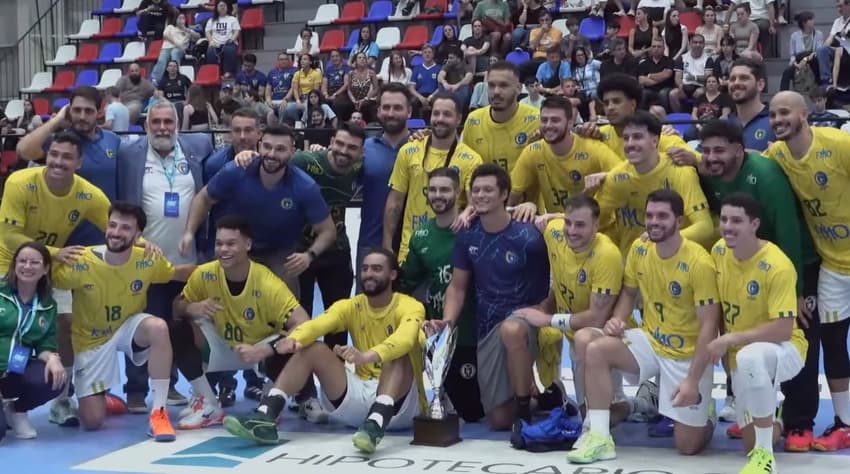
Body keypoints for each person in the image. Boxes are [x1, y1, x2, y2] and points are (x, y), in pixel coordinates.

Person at [568, 189, 719, 464]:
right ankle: (600, 437)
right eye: (650, 215)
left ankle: (706, 410)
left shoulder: (699, 262)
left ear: (679, 221)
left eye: (662, 216)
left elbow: (709, 326)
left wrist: (693, 381)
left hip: (685, 354)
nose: (654, 222)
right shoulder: (640, 248)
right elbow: (628, 292)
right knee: (594, 347)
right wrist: (618, 319)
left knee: (688, 446)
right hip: (651, 339)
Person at [223, 248, 425, 454]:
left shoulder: (411, 306)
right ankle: (265, 416)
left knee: (400, 355)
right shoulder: (352, 306)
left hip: (400, 406)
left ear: (392, 274)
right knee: (314, 349)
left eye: (376, 269)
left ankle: (376, 425)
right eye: (365, 269)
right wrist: (294, 339)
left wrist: (366, 356)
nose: (368, 274)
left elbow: (405, 338)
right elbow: (319, 324)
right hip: (361, 397)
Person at [696, 119, 821, 449]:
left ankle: (799, 422)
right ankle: (759, 411)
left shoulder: (764, 175)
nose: (711, 157)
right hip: (742, 259)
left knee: (799, 331)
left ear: (739, 151)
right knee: (740, 324)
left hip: (792, 260)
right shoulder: (708, 173)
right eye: (706, 151)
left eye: (719, 150)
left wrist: (797, 291)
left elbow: (787, 227)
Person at [51, 202, 194, 439]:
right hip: (91, 339)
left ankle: (159, 412)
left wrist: (220, 269)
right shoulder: (81, 260)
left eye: (125, 228)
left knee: (158, 327)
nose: (116, 232)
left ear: (138, 235)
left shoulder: (147, 259)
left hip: (129, 327)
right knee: (92, 421)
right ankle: (102, 398)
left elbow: (177, 273)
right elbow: (45, 276)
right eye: (112, 225)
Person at [0, 131, 112, 427]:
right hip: (8, 262)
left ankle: (61, 400)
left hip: (50, 266)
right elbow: (9, 237)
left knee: (67, 323)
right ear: (45, 156)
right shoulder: (19, 182)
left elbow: (117, 228)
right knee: (7, 327)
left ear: (79, 162)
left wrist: (144, 245)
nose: (59, 162)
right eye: (54, 155)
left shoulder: (88, 194)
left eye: (67, 157)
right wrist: (54, 253)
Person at [764, 90, 850, 451]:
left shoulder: (838, 144)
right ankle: (845, 424)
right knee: (832, 343)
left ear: (804, 114)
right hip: (833, 265)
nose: (777, 120)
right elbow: (744, 162)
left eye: (784, 112)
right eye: (772, 115)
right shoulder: (777, 154)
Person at [435, 163, 550, 430]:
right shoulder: (467, 235)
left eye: (488, 190)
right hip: (487, 327)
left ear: (504, 194)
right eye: (476, 190)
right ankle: (544, 399)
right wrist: (447, 322)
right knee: (498, 420)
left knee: (512, 330)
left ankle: (524, 412)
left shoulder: (530, 235)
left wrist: (545, 312)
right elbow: (457, 287)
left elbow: (554, 277)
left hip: (525, 321)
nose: (480, 195)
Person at [233, 123, 366, 353]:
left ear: (361, 152)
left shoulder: (361, 167)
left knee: (339, 321)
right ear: (331, 142)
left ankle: (335, 373)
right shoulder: (305, 161)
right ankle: (300, 374)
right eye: (340, 144)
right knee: (297, 320)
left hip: (336, 250)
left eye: (352, 147)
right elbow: (273, 159)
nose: (344, 151)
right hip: (298, 252)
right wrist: (248, 155)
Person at [116, 99, 212, 412]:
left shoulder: (197, 148)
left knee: (174, 325)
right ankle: (135, 389)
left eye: (168, 122)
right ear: (146, 125)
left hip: (186, 260)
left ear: (177, 124)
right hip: (144, 260)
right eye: (155, 122)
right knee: (142, 322)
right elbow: (121, 203)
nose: (162, 128)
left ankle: (169, 384)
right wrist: (135, 239)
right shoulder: (129, 154)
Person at [172, 216, 311, 429]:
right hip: (221, 345)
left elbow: (303, 322)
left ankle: (273, 399)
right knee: (175, 329)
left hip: (259, 352)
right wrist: (192, 308)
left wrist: (267, 349)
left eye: (230, 244)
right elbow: (176, 307)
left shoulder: (267, 283)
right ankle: (208, 403)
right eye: (219, 243)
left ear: (247, 245)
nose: (223, 249)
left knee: (293, 343)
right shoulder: (206, 273)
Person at [511, 195, 637, 427]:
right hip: (576, 338)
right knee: (586, 415)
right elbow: (522, 217)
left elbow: (596, 318)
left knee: (599, 419)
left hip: (609, 338)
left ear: (596, 226)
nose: (571, 230)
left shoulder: (606, 255)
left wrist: (546, 318)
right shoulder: (555, 233)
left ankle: (635, 405)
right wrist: (529, 205)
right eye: (568, 222)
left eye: (580, 225)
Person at [180, 124, 336, 302]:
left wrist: (309, 255)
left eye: (280, 149)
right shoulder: (236, 170)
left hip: (279, 254)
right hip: (236, 248)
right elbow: (203, 198)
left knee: (288, 310)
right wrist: (189, 232)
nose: (272, 154)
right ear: (259, 146)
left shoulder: (305, 186)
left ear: (292, 152)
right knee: (212, 303)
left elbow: (328, 231)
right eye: (267, 147)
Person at [710, 192, 807, 472]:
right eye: (724, 219)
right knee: (749, 443)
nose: (728, 226)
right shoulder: (719, 251)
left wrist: (730, 339)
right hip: (742, 351)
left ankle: (766, 458)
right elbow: (720, 306)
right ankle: (775, 418)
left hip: (786, 349)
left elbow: (783, 329)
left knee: (750, 356)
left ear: (754, 224)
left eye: (736, 221)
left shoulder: (777, 264)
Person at [399, 168, 484, 422]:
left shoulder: (477, 228)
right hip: (441, 335)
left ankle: (543, 397)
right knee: (461, 407)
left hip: (474, 331)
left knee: (475, 411)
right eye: (433, 189)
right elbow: (406, 282)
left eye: (445, 189)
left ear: (457, 192)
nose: (438, 195)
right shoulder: (421, 235)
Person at [593, 111, 713, 254]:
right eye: (626, 138)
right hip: (634, 259)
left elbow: (705, 227)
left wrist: (660, 239)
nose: (630, 144)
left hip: (678, 256)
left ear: (654, 141)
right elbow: (591, 219)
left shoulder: (680, 171)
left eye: (637, 137)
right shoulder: (617, 178)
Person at [384, 94, 482, 262]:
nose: (440, 119)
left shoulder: (471, 159)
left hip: (450, 249)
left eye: (447, 114)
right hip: (410, 249)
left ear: (458, 119)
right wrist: (387, 246)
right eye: (436, 113)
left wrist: (466, 213)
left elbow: (475, 202)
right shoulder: (409, 150)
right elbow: (395, 203)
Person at [509, 96, 620, 220]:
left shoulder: (593, 148)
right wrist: (524, 207)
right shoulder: (533, 151)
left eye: (555, 120)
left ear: (570, 123)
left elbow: (626, 176)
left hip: (597, 227)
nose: (548, 125)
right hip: (555, 226)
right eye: (544, 120)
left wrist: (605, 176)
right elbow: (512, 195)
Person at [0, 241, 65, 441]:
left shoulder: (48, 305)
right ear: (14, 265)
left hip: (16, 367)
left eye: (34, 262)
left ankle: (16, 410)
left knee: (55, 378)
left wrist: (53, 358)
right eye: (22, 261)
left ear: (45, 269)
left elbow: (45, 344)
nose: (27, 266)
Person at [579, 74, 697, 163]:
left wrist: (691, 159)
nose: (610, 107)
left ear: (633, 104)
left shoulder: (660, 134)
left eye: (616, 101)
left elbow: (699, 160)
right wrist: (580, 131)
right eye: (606, 103)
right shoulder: (597, 134)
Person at [358, 84, 412, 262]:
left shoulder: (422, 146)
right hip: (371, 243)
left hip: (415, 246)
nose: (391, 113)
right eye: (386, 107)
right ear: (379, 111)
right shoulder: (364, 149)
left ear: (409, 112)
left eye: (397, 108)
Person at [462, 61, 539, 175]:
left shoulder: (537, 119)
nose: (496, 92)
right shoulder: (473, 120)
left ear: (518, 88)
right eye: (491, 85)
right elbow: (466, 166)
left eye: (503, 85)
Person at [728, 58, 774, 152]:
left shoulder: (776, 121)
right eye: (732, 79)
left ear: (760, 85)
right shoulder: (723, 124)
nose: (736, 83)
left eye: (743, 78)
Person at [205, 0, 240, 79]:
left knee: (229, 50)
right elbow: (207, 32)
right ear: (216, 8)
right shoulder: (211, 20)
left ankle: (228, 72)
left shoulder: (232, 19)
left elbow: (237, 31)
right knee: (210, 52)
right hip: (215, 43)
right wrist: (211, 41)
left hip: (229, 42)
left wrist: (232, 39)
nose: (223, 7)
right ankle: (215, 73)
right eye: (220, 6)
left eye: (224, 6)